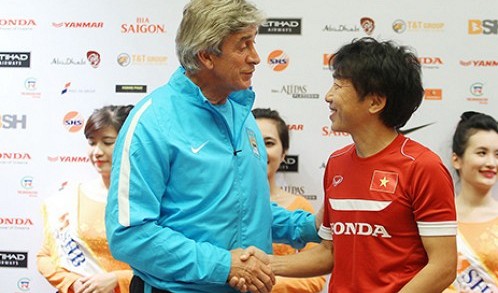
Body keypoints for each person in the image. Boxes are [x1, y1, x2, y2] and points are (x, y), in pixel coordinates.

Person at [104, 1, 320, 293]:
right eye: (243, 46)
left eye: (253, 43)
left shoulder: (242, 116)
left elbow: (245, 209)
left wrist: (310, 227)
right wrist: (224, 264)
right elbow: (129, 235)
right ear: (206, 55)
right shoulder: (151, 122)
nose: (256, 57)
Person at [268, 37, 458, 292]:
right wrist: (268, 264)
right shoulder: (336, 164)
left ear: (375, 102)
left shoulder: (423, 167)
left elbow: (443, 266)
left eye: (338, 85)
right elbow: (330, 252)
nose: (328, 96)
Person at [37, 105, 134, 293]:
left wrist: (117, 279)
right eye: (92, 143)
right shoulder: (68, 199)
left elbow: (166, 265)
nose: (97, 152)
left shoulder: (149, 200)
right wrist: (72, 282)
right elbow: (45, 256)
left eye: (107, 142)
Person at [252, 108, 326, 293]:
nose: (261, 151)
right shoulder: (224, 204)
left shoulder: (300, 208)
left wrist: (259, 283)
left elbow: (315, 276)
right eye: (253, 143)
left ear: (284, 153)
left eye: (268, 143)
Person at [445, 111, 498, 292]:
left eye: (497, 154)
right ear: (456, 159)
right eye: (482, 153)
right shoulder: (437, 218)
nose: (491, 162)